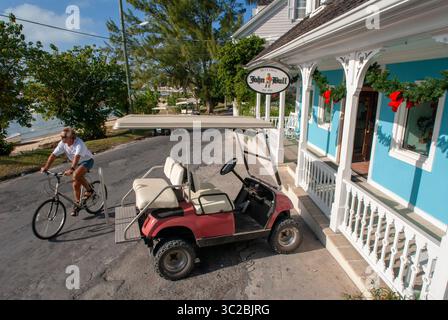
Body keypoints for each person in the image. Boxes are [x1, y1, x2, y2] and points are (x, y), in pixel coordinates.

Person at [41, 128, 95, 216]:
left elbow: (76, 157)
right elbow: (53, 155)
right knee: (75, 184)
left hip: (87, 161)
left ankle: (90, 190)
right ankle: (77, 204)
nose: (61, 138)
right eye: (61, 136)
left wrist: (72, 169)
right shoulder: (63, 143)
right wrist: (46, 167)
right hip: (77, 164)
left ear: (71, 137)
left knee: (75, 175)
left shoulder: (79, 144)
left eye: (63, 137)